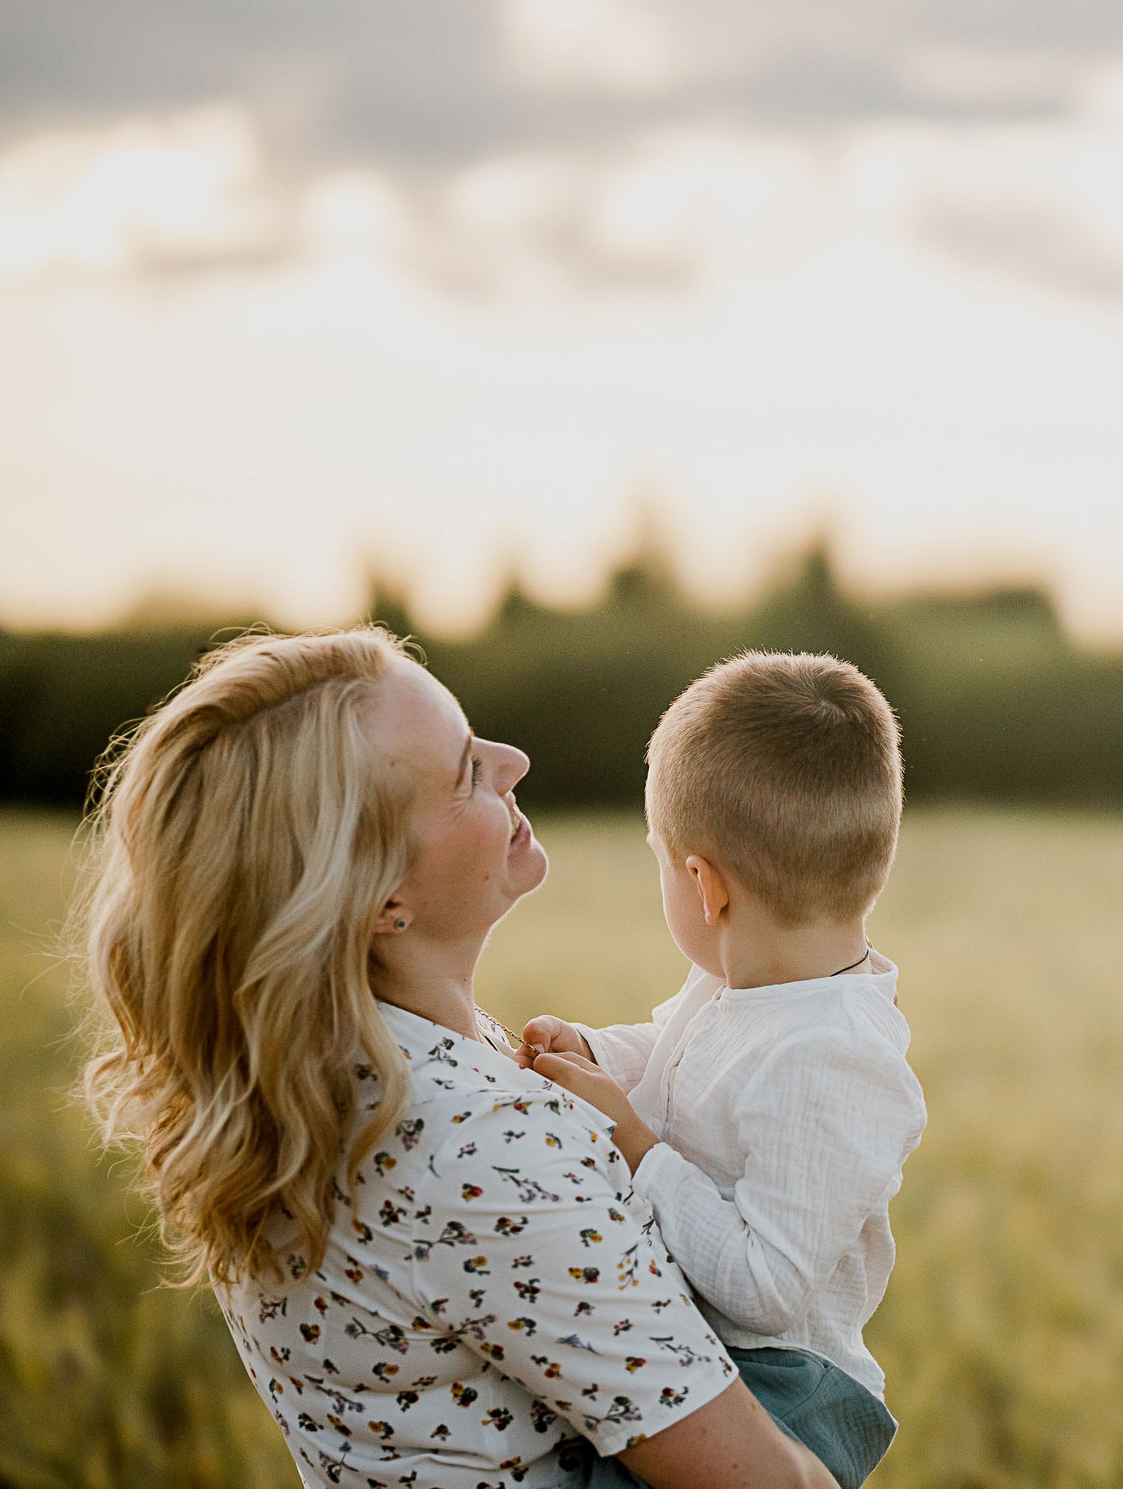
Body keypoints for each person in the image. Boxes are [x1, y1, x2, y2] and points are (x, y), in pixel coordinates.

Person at [75, 628, 836, 1489]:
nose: (512, 760)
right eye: (468, 771)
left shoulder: (298, 1087)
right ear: (380, 896)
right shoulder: (484, 1143)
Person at [516, 653, 928, 1489]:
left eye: (661, 861)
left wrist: (634, 1145)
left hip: (785, 1390)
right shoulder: (739, 983)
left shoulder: (835, 1055)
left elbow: (764, 1284)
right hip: (712, 1352)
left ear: (705, 887)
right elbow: (676, 1049)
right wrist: (595, 1052)